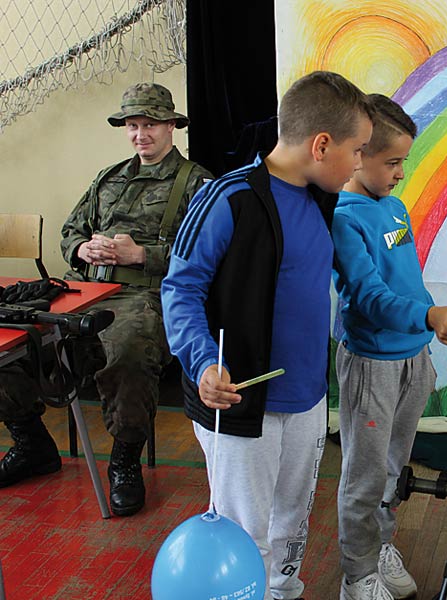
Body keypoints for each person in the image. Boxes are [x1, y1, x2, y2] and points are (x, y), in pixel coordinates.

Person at [161, 71, 373, 600]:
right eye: (356, 150)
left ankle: (282, 591)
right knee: (245, 537)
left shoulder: (322, 199)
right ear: (321, 145)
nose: (359, 163)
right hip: (240, 407)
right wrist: (204, 362)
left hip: (307, 402)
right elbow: (180, 289)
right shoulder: (226, 198)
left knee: (290, 529)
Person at [0, 83, 212, 518]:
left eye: (150, 124)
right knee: (13, 341)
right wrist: (82, 249)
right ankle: (31, 442)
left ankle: (124, 460)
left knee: (127, 351)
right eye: (132, 125)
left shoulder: (196, 183)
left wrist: (142, 256)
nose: (140, 134)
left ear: (171, 126)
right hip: (86, 289)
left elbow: (211, 253)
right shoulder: (108, 178)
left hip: (146, 293)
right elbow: (70, 232)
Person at [331, 93, 447, 600]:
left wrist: (432, 319)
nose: (400, 173)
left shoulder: (394, 208)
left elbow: (407, 282)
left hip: (414, 358)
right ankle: (357, 574)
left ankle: (381, 547)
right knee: (364, 476)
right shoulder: (343, 216)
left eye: (403, 162)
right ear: (358, 154)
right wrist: (425, 315)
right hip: (372, 365)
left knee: (394, 468)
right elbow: (369, 297)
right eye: (392, 162)